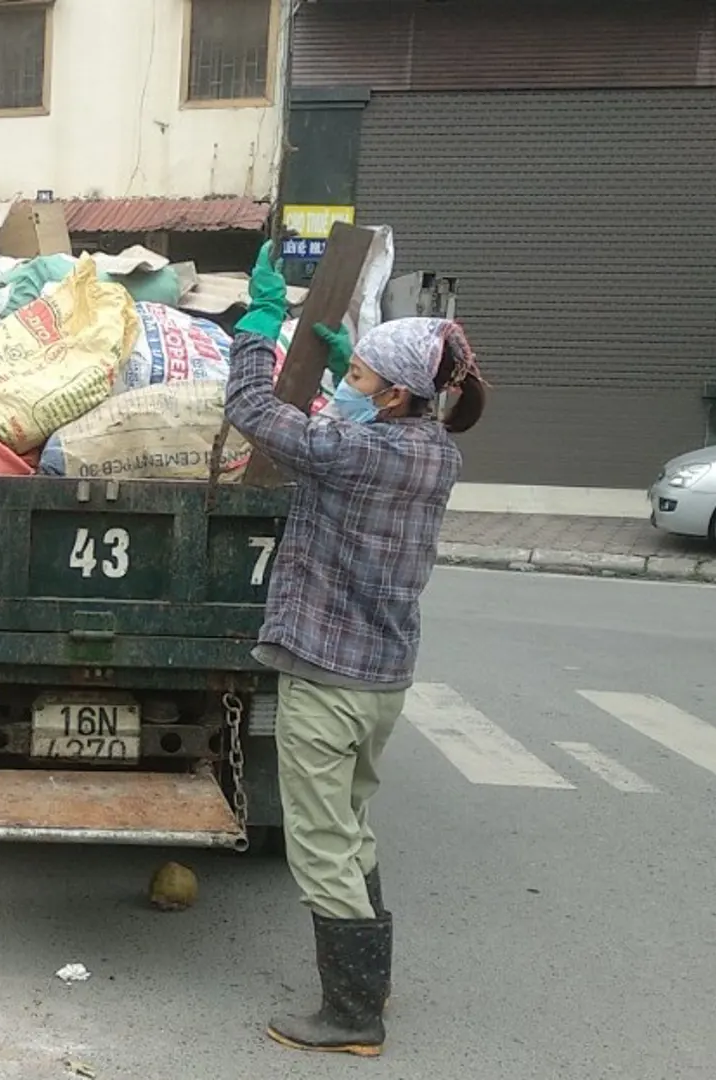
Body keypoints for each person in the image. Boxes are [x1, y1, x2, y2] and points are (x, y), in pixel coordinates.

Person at [226, 243, 488, 1056]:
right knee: (352, 820)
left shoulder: (356, 451)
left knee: (320, 841)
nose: (352, 386)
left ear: (398, 394)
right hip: (382, 678)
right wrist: (351, 366)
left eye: (365, 378)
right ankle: (370, 984)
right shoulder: (433, 453)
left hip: (327, 675)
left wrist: (257, 327)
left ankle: (350, 1016)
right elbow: (348, 428)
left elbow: (256, 413)